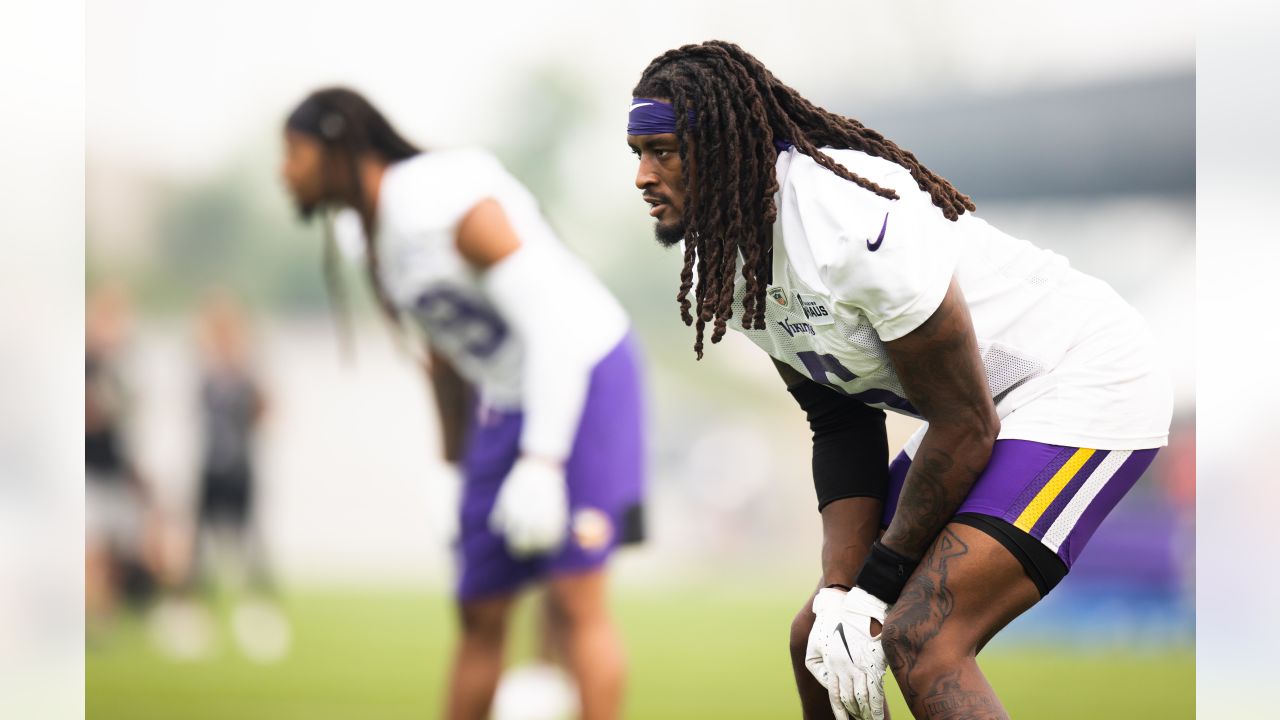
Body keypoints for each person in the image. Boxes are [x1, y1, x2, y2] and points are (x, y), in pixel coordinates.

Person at [624, 41, 1171, 720]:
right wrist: (838, 593)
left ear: (730, 144)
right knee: (818, 642)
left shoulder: (847, 219)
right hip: (979, 409)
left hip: (1082, 375)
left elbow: (966, 424)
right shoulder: (726, 270)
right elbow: (840, 422)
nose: (644, 175)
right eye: (637, 154)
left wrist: (874, 592)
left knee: (922, 636)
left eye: (664, 150)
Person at [280, 87, 645, 720]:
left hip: (585, 373)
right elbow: (446, 357)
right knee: (477, 608)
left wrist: (541, 461)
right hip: (505, 399)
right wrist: (450, 465)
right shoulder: (358, 233)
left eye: (294, 151)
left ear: (338, 144)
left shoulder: (440, 203)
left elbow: (552, 328)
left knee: (575, 598)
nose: (285, 171)